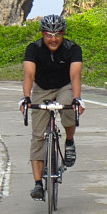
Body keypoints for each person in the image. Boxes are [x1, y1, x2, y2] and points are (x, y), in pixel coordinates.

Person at [19, 14, 85, 200]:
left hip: (65, 86)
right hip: (42, 88)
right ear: (42, 34)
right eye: (49, 34)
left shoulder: (72, 49)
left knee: (67, 106)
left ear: (63, 34)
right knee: (38, 136)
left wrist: (77, 99)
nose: (53, 39)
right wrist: (25, 98)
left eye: (58, 34)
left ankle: (69, 141)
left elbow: (75, 77)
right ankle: (38, 184)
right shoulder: (34, 49)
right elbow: (29, 76)